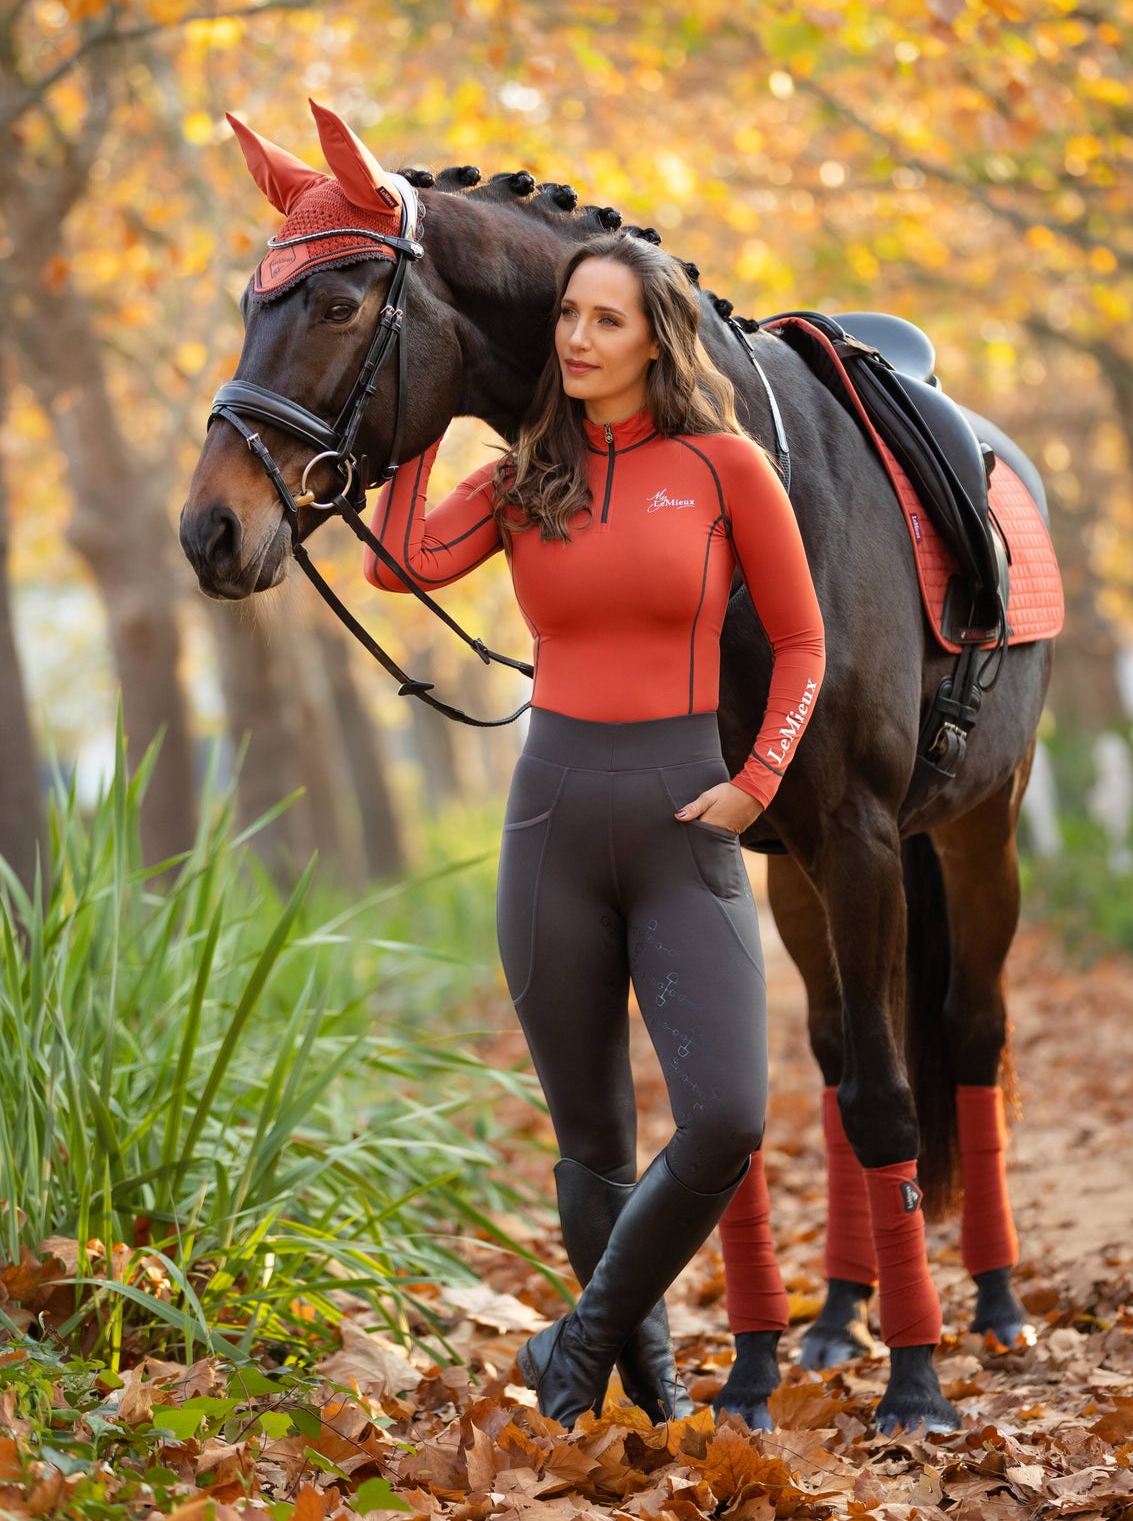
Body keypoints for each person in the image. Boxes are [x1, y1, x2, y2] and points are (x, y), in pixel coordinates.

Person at [365, 232, 826, 1426]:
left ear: (653, 338)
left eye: (605, 320)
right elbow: (398, 565)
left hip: (686, 822)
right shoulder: (527, 476)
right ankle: (646, 1388)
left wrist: (757, 781)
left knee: (724, 1116)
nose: (574, 338)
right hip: (553, 824)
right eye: (567, 315)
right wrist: (421, 435)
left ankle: (574, 1341)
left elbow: (800, 644)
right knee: (592, 1144)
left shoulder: (723, 468)